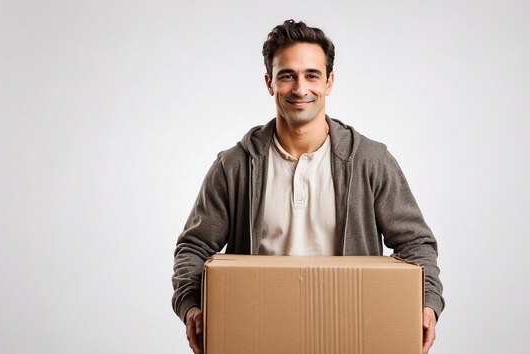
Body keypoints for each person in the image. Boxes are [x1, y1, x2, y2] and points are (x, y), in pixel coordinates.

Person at [172, 19, 445, 354]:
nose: (300, 88)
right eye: (287, 75)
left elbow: (416, 243)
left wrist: (427, 303)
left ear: (329, 82)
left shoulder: (369, 161)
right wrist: (192, 307)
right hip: (258, 338)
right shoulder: (235, 166)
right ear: (269, 83)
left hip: (349, 336)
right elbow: (194, 247)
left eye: (312, 75)